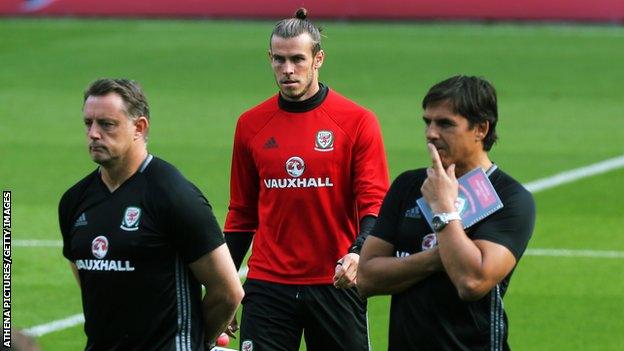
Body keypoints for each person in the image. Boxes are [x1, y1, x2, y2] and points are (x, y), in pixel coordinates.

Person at [223, 8, 389, 351]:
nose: (287, 70)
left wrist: (359, 253)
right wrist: (225, 287)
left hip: (336, 281)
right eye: (279, 60)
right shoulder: (250, 124)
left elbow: (374, 202)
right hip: (268, 284)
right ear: (269, 58)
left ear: (318, 59)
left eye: (297, 59)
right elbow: (241, 212)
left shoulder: (357, 121)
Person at [58, 78, 244, 350]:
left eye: (107, 124)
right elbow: (91, 286)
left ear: (139, 127)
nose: (94, 134)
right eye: (89, 123)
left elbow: (228, 292)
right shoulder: (74, 201)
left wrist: (196, 341)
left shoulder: (173, 195)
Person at [358, 75, 536, 350]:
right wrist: (437, 258)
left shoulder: (510, 198)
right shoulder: (408, 185)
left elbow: (472, 281)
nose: (431, 133)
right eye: (427, 122)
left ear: (480, 129)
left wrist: (443, 209)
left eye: (445, 124)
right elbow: (366, 277)